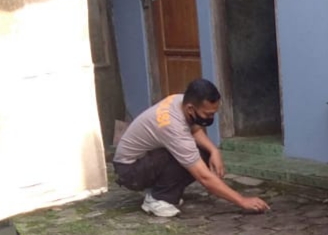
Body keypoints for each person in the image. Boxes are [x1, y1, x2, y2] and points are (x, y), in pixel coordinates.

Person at [113, 78, 269, 217]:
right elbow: (204, 177)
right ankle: (157, 199)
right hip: (129, 171)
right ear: (190, 109)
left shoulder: (179, 101)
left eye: (214, 113)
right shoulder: (172, 127)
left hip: (145, 159)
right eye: (207, 114)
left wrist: (215, 151)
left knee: (203, 152)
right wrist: (242, 201)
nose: (211, 118)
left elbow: (194, 128)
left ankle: (162, 190)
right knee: (189, 158)